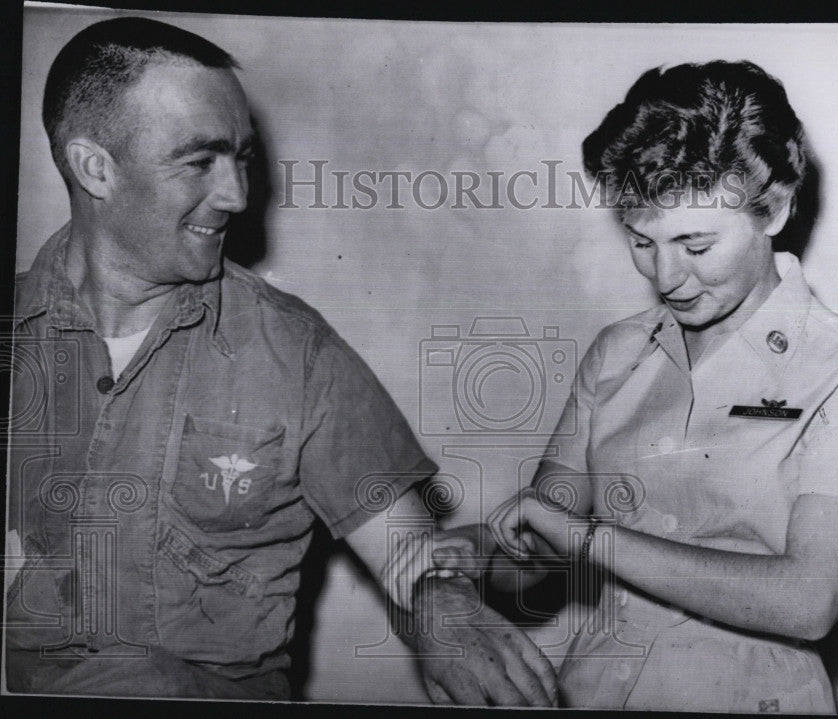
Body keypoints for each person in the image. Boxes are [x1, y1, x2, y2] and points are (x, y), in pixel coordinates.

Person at [3, 17, 556, 705]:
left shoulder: (297, 353)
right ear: (95, 167)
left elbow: (408, 555)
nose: (236, 194)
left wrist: (441, 605)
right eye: (200, 161)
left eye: (243, 157)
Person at [435, 60, 838, 713]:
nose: (666, 276)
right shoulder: (616, 354)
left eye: (695, 245)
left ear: (774, 209)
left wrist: (590, 538)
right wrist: (457, 566)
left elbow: (810, 601)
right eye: (643, 242)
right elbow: (537, 558)